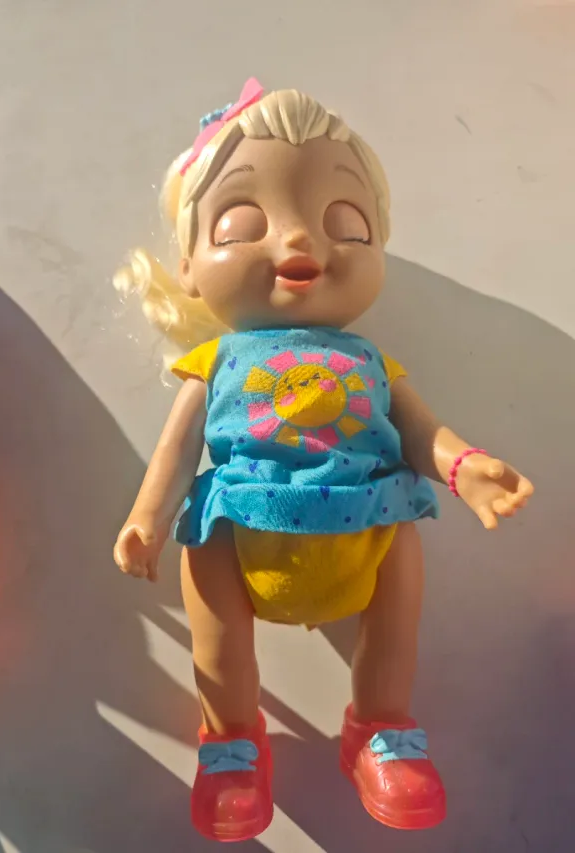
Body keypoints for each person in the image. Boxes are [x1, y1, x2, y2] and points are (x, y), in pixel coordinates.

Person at [113, 79, 534, 842]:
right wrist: (146, 518)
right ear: (188, 265)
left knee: (397, 615)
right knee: (215, 633)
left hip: (368, 524)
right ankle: (232, 742)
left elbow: (419, 428)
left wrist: (463, 465)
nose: (300, 241)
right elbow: (176, 450)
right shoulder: (217, 360)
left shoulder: (372, 361)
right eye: (243, 223)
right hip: (240, 530)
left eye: (345, 222)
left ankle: (379, 726)